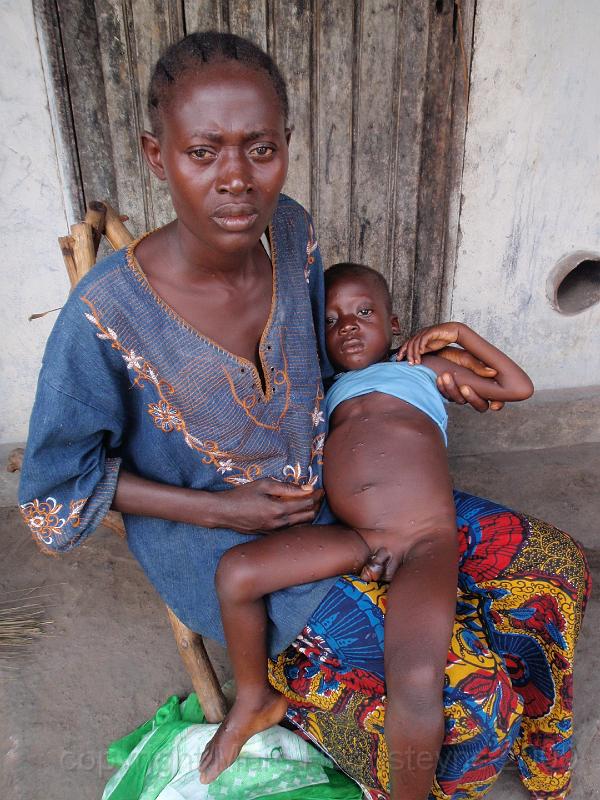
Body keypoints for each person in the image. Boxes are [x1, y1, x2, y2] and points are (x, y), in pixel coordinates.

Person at [17, 31, 590, 800]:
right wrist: (223, 512)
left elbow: (316, 365)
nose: (236, 179)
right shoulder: (104, 319)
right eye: (203, 152)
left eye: (259, 149)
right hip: (224, 544)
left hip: (347, 495)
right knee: (466, 714)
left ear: (286, 146)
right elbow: (57, 490)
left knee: (554, 564)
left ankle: (521, 725)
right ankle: (314, 700)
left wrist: (409, 378)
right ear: (159, 157)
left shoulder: (292, 233)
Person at [198, 262, 534, 789]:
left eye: (362, 311)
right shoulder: (323, 393)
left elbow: (517, 386)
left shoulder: (422, 369)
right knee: (237, 573)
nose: (347, 325)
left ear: (395, 323)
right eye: (331, 320)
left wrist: (459, 334)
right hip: (361, 538)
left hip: (424, 540)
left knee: (417, 676)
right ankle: (253, 698)